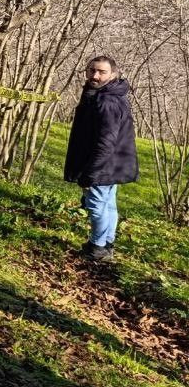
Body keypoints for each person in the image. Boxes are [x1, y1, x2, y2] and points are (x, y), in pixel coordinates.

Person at [64, 55, 138, 262]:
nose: (95, 75)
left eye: (101, 72)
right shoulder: (101, 94)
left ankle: (97, 248)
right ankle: (106, 244)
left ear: (113, 74)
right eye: (91, 70)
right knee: (108, 204)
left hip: (103, 165)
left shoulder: (107, 101)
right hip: (112, 164)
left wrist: (90, 174)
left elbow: (106, 142)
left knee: (96, 205)